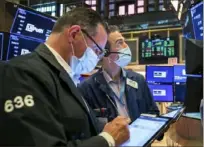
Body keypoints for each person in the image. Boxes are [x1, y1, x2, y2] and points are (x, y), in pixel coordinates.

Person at [0, 8, 130, 146]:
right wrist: (107, 139)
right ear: (74, 34)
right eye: (97, 50)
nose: (97, 58)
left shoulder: (65, 77)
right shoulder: (20, 73)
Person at [78, 25, 159, 127]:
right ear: (105, 52)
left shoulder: (138, 80)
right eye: (120, 43)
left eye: (124, 41)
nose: (126, 46)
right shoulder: (87, 88)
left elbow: (153, 111)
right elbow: (87, 127)